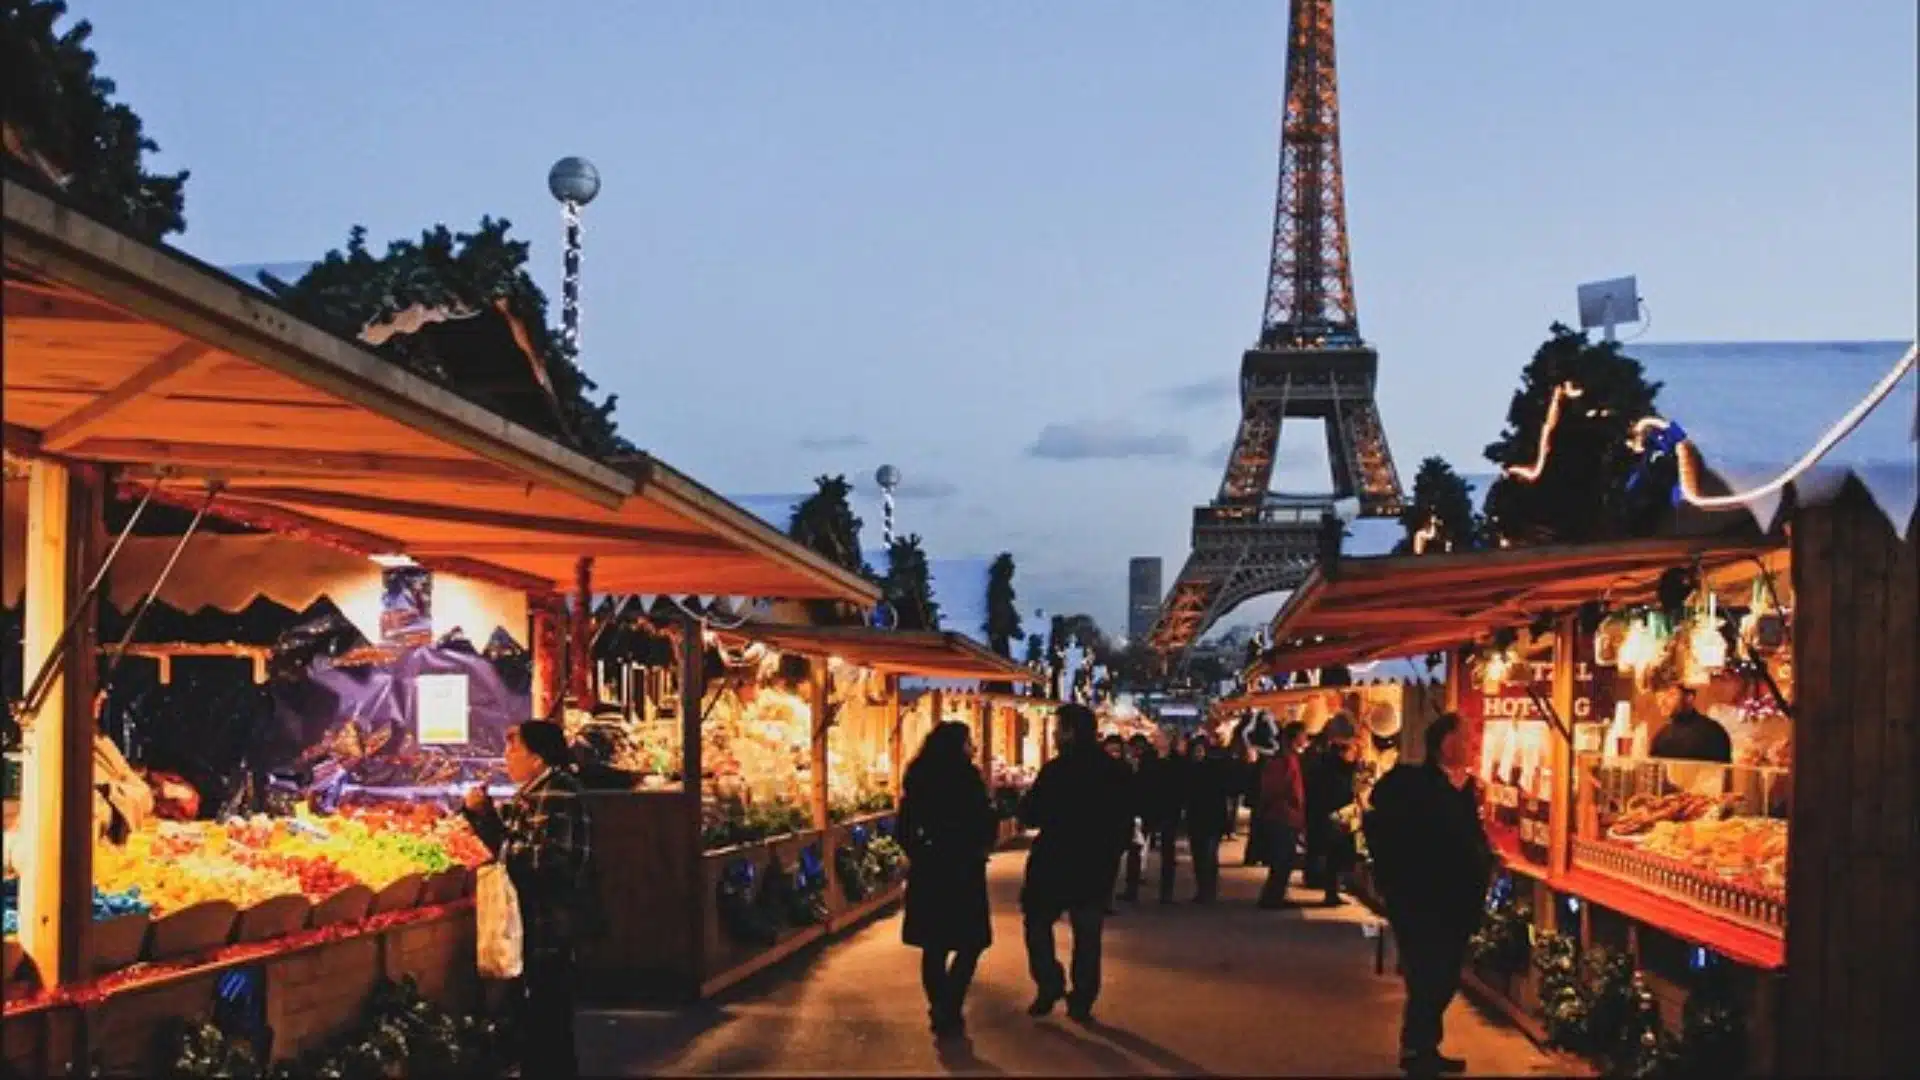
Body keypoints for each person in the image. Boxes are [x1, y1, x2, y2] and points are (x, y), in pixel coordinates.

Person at [1365, 712, 1496, 1078]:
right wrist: (1395, 884)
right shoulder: (1417, 786)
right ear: (1446, 743)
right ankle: (1415, 1050)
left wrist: (1484, 855)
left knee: (1445, 976)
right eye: (1466, 737)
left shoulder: (1462, 789)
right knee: (1428, 976)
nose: (1472, 744)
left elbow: (1466, 836)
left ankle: (1425, 1045)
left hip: (1454, 903)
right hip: (1421, 901)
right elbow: (1398, 830)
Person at [463, 720, 594, 1080]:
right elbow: (513, 842)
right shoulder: (536, 791)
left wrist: (487, 820)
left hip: (548, 923)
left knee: (547, 1016)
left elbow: (544, 861)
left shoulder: (556, 793)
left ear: (536, 758)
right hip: (539, 922)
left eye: (513, 749)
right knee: (541, 1019)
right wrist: (482, 814)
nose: (507, 757)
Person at [1018, 703, 1133, 1023]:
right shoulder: (1115, 771)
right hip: (1095, 863)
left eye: (1058, 729)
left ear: (1069, 732)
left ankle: (1050, 982)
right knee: (1087, 934)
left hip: (1054, 859)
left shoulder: (1056, 770)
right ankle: (1082, 998)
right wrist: (1113, 852)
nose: (1054, 735)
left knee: (1038, 923)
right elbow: (1125, 818)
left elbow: (1032, 813)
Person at [896, 721, 998, 1040]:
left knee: (935, 943)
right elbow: (984, 820)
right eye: (969, 740)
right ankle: (949, 1003)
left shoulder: (919, 777)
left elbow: (905, 826)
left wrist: (919, 851)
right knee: (971, 941)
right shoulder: (968, 779)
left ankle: (941, 1003)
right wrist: (980, 846)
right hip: (964, 866)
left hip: (931, 868)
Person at [1305, 717, 1362, 907]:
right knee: (1334, 856)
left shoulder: (1322, 761)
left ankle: (1331, 890)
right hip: (1335, 814)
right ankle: (1331, 891)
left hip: (1328, 813)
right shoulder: (1333, 766)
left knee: (1333, 856)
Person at [1255, 721, 1309, 909]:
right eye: (1304, 735)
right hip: (1282, 816)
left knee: (1284, 859)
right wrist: (1291, 802)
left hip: (1287, 815)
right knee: (1282, 859)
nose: (1306, 739)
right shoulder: (1284, 760)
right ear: (1296, 738)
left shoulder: (1289, 758)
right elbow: (1274, 788)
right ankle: (1272, 897)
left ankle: (1275, 895)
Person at [1182, 732, 1229, 904]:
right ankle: (1203, 889)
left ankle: (1209, 890)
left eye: (1201, 750)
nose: (1198, 753)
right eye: (1196, 750)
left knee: (1208, 856)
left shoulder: (1214, 769)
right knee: (1199, 856)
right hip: (1196, 818)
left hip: (1211, 819)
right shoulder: (1188, 770)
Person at [1649, 688, 1732, 763]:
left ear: (1689, 697)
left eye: (1671, 694)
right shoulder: (1661, 736)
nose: (1662, 702)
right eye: (1659, 696)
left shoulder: (1713, 732)